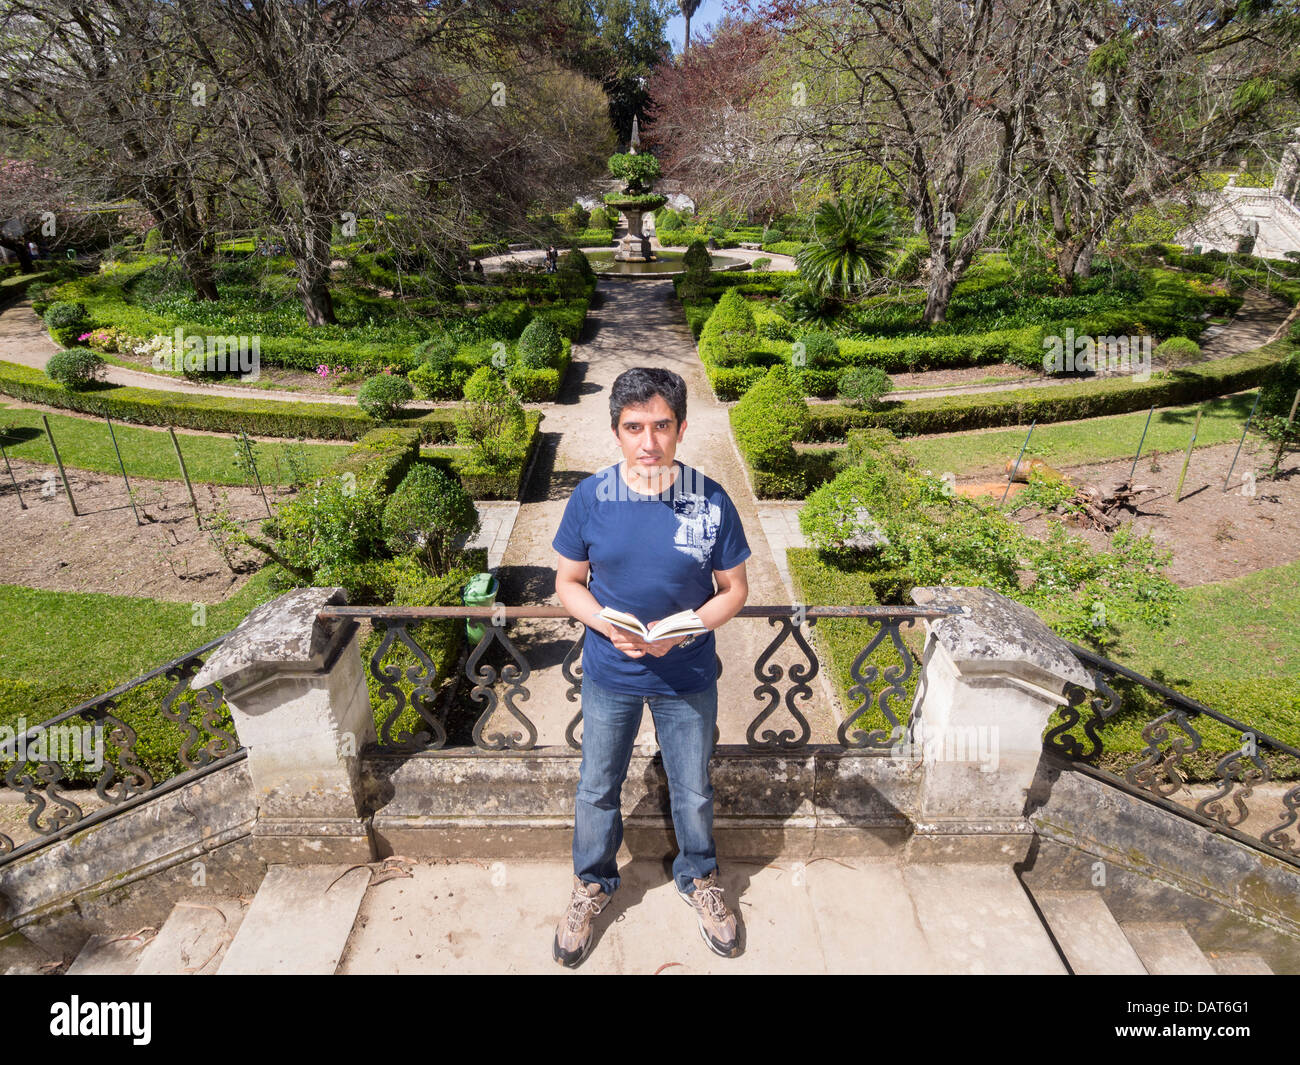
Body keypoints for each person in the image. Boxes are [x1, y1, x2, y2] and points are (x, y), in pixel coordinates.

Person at [550, 366, 751, 968]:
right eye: (634, 426)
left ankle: (700, 879)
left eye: (662, 425)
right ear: (616, 431)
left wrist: (687, 629)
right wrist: (605, 623)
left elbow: (733, 589)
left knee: (692, 789)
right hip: (611, 671)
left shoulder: (711, 499)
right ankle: (591, 884)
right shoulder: (590, 498)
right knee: (596, 788)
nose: (648, 441)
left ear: (682, 428)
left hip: (686, 674)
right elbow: (568, 581)